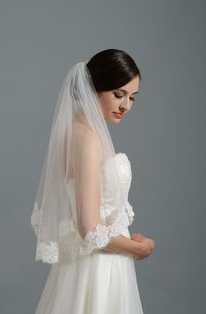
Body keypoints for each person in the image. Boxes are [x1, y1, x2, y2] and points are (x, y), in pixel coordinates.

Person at [30, 49, 155, 313]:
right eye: (118, 94)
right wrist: (137, 249)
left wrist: (127, 239)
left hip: (101, 261)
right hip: (99, 269)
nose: (126, 106)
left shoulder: (81, 130)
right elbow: (89, 228)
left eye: (132, 98)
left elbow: (98, 216)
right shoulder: (87, 138)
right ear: (94, 87)